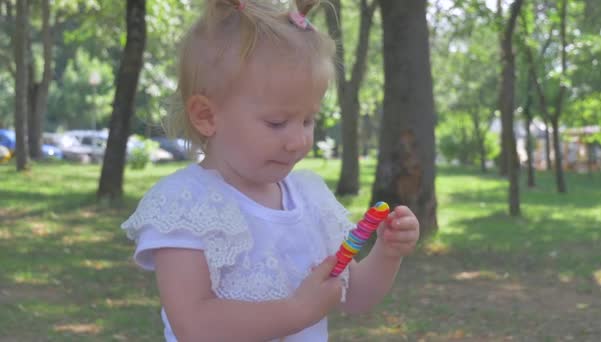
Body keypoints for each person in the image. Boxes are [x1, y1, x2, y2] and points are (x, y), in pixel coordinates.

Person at [121, 0, 420, 341]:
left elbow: (352, 297)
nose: (298, 140)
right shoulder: (185, 205)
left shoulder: (310, 199)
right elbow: (194, 324)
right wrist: (297, 310)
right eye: (277, 123)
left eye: (308, 120)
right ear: (206, 116)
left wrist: (387, 253)